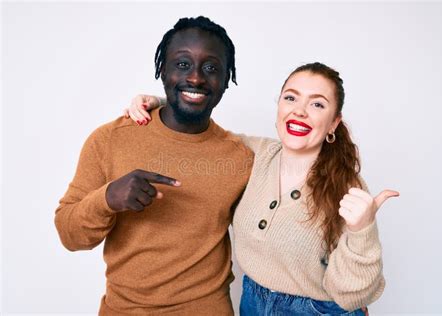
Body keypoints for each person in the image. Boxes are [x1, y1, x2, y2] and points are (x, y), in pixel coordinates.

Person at [126, 62, 399, 315]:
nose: (300, 110)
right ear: (279, 106)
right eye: (291, 98)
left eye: (317, 104)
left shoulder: (347, 188)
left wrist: (361, 231)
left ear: (334, 123)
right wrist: (162, 104)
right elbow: (203, 133)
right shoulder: (253, 153)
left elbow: (350, 297)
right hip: (252, 303)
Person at [54, 16, 254, 315]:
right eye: (183, 64)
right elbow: (69, 235)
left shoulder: (241, 156)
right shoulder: (111, 139)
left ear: (227, 79)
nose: (197, 78)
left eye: (211, 68)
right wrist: (108, 198)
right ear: (163, 70)